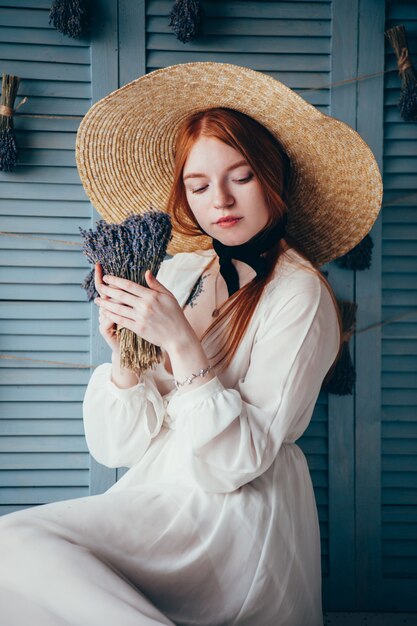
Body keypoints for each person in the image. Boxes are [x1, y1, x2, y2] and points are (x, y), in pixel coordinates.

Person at [0, 62, 382, 626]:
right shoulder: (180, 273)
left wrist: (182, 342)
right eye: (198, 186)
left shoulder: (300, 294)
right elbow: (117, 449)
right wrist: (124, 356)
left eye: (241, 176)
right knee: (14, 547)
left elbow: (240, 461)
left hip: (235, 516)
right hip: (153, 495)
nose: (220, 200)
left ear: (272, 176)